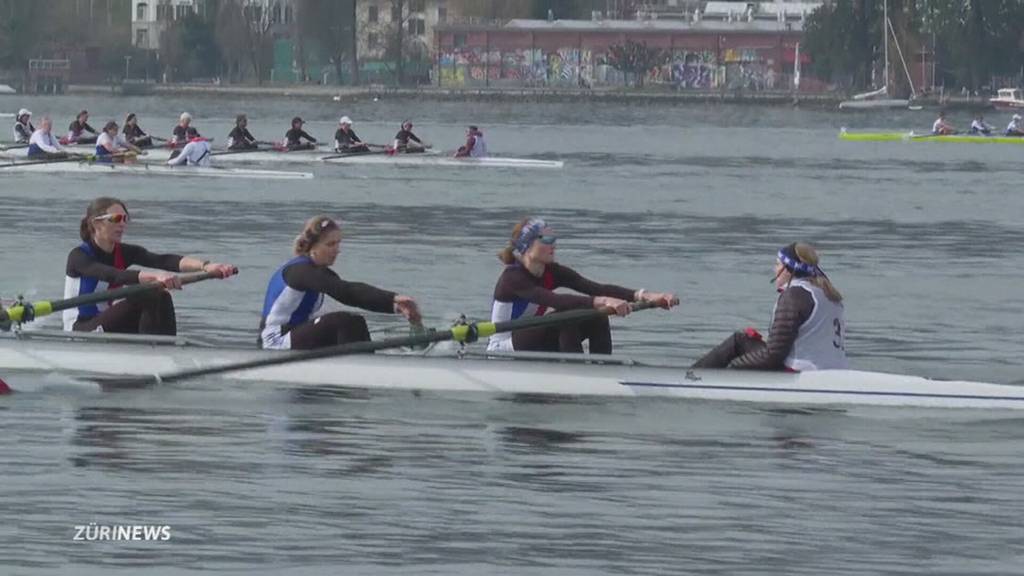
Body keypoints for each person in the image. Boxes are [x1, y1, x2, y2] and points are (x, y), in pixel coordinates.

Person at [487, 217, 677, 354]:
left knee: (598, 315)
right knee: (568, 315)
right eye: (545, 239)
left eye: (553, 237)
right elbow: (556, 300)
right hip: (504, 346)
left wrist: (645, 295)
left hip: (531, 338)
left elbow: (597, 288)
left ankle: (603, 370)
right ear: (526, 247)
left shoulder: (552, 271)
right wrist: (603, 301)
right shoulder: (512, 278)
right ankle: (576, 374)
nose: (554, 244)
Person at [63, 197, 236, 334]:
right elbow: (114, 275)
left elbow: (163, 260)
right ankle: (153, 352)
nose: (122, 224)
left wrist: (207, 266)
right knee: (149, 293)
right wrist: (155, 277)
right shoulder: (78, 256)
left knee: (162, 296)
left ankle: (164, 348)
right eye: (115, 219)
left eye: (125, 219)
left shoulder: (123, 252)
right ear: (96, 223)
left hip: (106, 321)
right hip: (81, 329)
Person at [259, 216, 421, 350]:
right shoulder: (300, 271)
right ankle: (361, 369)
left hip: (295, 334)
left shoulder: (317, 271)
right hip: (275, 342)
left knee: (356, 321)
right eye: (330, 244)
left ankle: (367, 363)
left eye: (338, 243)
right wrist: (392, 297)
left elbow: (352, 296)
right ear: (313, 247)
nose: (337, 250)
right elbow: (345, 291)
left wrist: (396, 307)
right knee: (344, 322)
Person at [692, 242, 847, 371]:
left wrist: (734, 368)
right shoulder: (830, 294)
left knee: (737, 341)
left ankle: (692, 378)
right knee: (745, 340)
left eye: (777, 264)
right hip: (836, 370)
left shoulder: (793, 296)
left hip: (802, 373)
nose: (774, 269)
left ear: (788, 269)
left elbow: (774, 355)